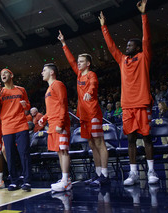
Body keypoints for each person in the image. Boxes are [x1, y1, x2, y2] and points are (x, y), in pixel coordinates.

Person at [99, 0, 159, 185]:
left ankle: (151, 171)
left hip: (142, 103)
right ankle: (133, 173)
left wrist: (143, 15)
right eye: (126, 46)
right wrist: (104, 27)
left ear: (138, 48)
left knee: (147, 138)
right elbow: (111, 47)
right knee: (131, 139)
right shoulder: (122, 60)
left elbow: (147, 38)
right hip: (127, 106)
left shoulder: (144, 57)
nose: (126, 48)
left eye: (130, 46)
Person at [58, 31, 110, 186]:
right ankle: (98, 173)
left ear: (88, 64)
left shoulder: (91, 74)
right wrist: (64, 44)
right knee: (92, 144)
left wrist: (89, 91)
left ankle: (106, 175)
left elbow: (93, 85)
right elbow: (71, 60)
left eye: (82, 62)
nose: (78, 63)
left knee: (99, 142)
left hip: (93, 113)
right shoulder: (79, 75)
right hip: (83, 115)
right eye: (78, 61)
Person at [0, 68, 32, 192]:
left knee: (24, 153)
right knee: (10, 155)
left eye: (5, 73)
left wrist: (24, 105)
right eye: (1, 74)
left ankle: (27, 181)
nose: (3, 75)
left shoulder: (21, 90)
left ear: (11, 75)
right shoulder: (0, 92)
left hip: (21, 125)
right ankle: (14, 181)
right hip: (7, 127)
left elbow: (28, 106)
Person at [39, 63, 72, 192]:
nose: (42, 73)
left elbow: (63, 104)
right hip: (52, 124)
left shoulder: (58, 84)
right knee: (59, 151)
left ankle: (66, 180)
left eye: (44, 70)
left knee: (63, 151)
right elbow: (53, 108)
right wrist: (44, 118)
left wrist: (61, 123)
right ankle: (65, 179)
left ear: (52, 72)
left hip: (59, 123)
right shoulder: (49, 89)